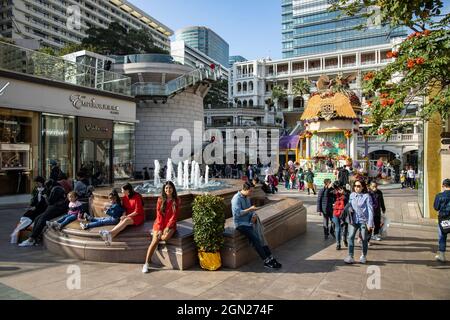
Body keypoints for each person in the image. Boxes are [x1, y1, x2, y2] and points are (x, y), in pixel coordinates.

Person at [231, 182, 281, 269]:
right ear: (245, 189)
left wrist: (253, 214)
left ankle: (271, 258)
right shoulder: (236, 199)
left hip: (250, 221)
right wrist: (250, 209)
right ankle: (266, 261)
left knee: (262, 238)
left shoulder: (247, 197)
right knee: (256, 239)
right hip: (241, 224)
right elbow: (237, 213)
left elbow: (251, 209)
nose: (251, 193)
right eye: (250, 191)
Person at [142, 181, 181, 273]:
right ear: (164, 189)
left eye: (170, 188)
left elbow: (174, 216)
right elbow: (159, 215)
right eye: (166, 188)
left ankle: (158, 242)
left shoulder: (177, 200)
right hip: (159, 223)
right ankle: (146, 263)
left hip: (171, 224)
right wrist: (160, 229)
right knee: (155, 240)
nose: (168, 189)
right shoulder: (160, 200)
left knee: (165, 237)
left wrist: (168, 227)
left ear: (173, 189)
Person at [19, 179, 67, 247]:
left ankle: (32, 239)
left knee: (41, 219)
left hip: (56, 208)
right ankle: (34, 238)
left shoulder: (55, 189)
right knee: (37, 218)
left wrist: (46, 197)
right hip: (57, 207)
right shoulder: (57, 187)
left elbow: (50, 202)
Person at [344, 180, 374, 264]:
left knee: (364, 239)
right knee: (350, 237)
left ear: (363, 187)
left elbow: (370, 210)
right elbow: (349, 204)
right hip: (353, 220)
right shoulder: (352, 195)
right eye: (355, 186)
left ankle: (363, 255)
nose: (356, 188)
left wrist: (370, 223)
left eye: (358, 186)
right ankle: (350, 256)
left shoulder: (367, 196)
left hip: (364, 221)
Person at [10, 176, 48, 244]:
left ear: (41, 182)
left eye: (37, 183)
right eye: (36, 183)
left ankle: (29, 232)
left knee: (32, 217)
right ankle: (19, 230)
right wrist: (31, 205)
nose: (36, 184)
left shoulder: (46, 190)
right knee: (26, 215)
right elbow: (35, 199)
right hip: (36, 207)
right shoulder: (37, 189)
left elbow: (44, 202)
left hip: (42, 208)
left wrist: (35, 207)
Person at [433, 179, 450, 262]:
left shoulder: (439, 196)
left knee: (442, 236)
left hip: (443, 219)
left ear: (443, 186)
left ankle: (442, 255)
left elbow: (436, 207)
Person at [332, 181, 349, 250]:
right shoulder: (333, 192)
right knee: (337, 228)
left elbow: (350, 198)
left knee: (345, 227)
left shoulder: (346, 192)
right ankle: (338, 243)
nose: (338, 189)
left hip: (344, 212)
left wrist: (344, 193)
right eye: (337, 187)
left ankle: (344, 238)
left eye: (340, 187)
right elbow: (326, 195)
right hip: (336, 211)